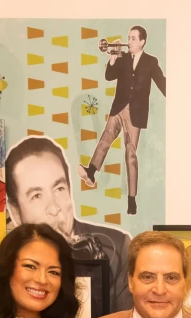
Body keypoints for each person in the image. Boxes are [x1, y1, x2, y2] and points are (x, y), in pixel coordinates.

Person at [6, 136, 132, 311]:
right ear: (15, 212)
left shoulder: (116, 248)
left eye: (59, 189)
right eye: (36, 196)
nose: (54, 208)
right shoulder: (7, 261)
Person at [77, 25, 166, 216]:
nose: (129, 41)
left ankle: (131, 200)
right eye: (128, 37)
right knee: (105, 138)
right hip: (118, 108)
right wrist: (113, 57)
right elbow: (109, 76)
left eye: (133, 38)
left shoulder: (151, 61)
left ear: (142, 41)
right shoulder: (123, 58)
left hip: (136, 113)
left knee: (131, 155)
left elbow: (162, 82)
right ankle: (90, 172)